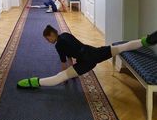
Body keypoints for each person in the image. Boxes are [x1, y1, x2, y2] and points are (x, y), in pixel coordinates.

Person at [17, 26, 157, 88]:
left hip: (87, 61)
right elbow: (71, 53)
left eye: (48, 39)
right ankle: (147, 40)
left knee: (59, 77)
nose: (48, 41)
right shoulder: (65, 34)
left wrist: (67, 74)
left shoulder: (58, 45)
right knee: (119, 48)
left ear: (52, 35)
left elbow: (64, 62)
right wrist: (72, 72)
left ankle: (34, 82)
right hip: (92, 51)